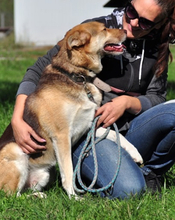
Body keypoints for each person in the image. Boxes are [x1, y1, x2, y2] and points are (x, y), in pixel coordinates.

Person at [11, 0, 175, 198]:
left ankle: (151, 173)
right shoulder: (95, 28)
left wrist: (126, 103)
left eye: (145, 22)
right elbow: (37, 70)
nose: (132, 23)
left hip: (133, 129)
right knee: (129, 190)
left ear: (158, 24)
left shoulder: (157, 47)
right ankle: (95, 170)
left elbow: (157, 97)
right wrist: (17, 118)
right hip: (92, 134)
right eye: (131, 12)